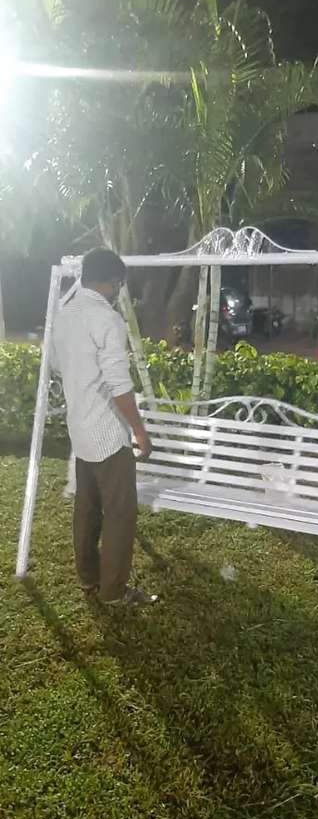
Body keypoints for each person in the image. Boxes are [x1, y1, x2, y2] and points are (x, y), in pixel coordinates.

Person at [52, 246, 157, 606]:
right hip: (108, 435)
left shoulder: (64, 314)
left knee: (86, 509)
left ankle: (88, 578)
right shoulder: (107, 320)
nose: (118, 292)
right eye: (119, 286)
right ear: (113, 282)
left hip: (80, 430)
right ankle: (113, 590)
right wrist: (139, 431)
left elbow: (57, 365)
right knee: (119, 514)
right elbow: (119, 385)